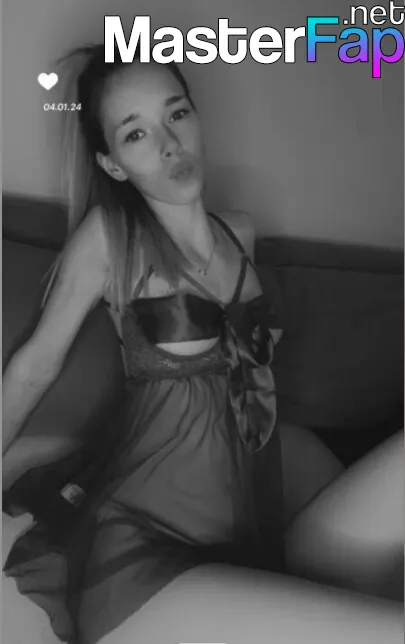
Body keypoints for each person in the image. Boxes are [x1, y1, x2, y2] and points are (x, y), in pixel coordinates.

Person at [2, 43, 403, 644]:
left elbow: (247, 388)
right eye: (136, 134)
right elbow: (35, 366)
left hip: (253, 527)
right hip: (148, 555)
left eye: (177, 114)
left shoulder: (239, 232)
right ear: (114, 165)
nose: (169, 144)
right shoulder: (111, 238)